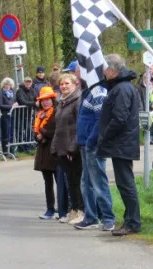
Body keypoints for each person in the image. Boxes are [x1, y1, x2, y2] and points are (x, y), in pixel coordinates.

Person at [97, 54, 141, 236]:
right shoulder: (122, 87)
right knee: (125, 183)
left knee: (126, 184)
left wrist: (105, 137)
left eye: (105, 69)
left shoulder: (122, 89)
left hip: (122, 143)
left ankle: (133, 222)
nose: (102, 72)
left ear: (113, 70)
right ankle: (130, 219)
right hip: (123, 143)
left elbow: (120, 118)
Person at [73, 61, 116, 232]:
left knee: (98, 182)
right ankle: (91, 217)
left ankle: (108, 218)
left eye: (77, 72)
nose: (75, 76)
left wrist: (91, 141)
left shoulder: (98, 93)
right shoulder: (88, 92)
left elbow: (100, 120)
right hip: (85, 144)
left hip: (93, 145)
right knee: (86, 183)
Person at [50, 73, 83, 225]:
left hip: (72, 149)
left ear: (75, 84)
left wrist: (73, 148)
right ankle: (74, 210)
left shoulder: (77, 101)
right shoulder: (61, 102)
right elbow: (59, 127)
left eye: (67, 84)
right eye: (61, 84)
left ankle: (81, 211)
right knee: (70, 182)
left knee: (77, 181)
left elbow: (79, 127)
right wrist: (54, 147)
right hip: (61, 148)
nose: (63, 86)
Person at [32, 86, 61, 220]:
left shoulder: (56, 113)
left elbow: (55, 132)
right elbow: (36, 130)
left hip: (53, 151)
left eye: (48, 100)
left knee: (59, 181)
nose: (45, 102)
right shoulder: (40, 114)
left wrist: (42, 133)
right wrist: (37, 135)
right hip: (43, 152)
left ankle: (62, 209)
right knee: (47, 182)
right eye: (43, 100)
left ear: (52, 99)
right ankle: (50, 208)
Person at [0, 78, 17, 154]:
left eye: (9, 84)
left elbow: (16, 102)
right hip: (4, 115)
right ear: (3, 85)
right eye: (6, 84)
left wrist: (16, 105)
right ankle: (5, 151)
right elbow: (0, 105)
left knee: (12, 133)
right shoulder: (0, 93)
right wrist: (11, 106)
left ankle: (11, 150)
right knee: (5, 133)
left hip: (13, 115)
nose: (7, 86)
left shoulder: (13, 93)